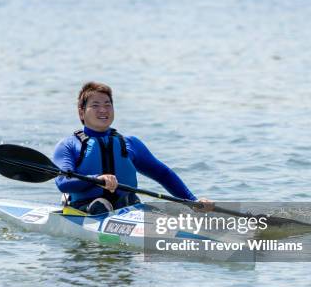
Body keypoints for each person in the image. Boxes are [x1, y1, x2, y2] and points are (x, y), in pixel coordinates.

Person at [53, 82, 214, 215]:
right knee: (99, 205)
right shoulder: (69, 145)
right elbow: (63, 182)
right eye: (95, 105)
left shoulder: (130, 143)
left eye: (107, 104)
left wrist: (193, 201)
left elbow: (163, 174)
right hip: (86, 209)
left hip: (128, 208)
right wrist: (98, 179)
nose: (103, 110)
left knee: (135, 202)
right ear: (81, 112)